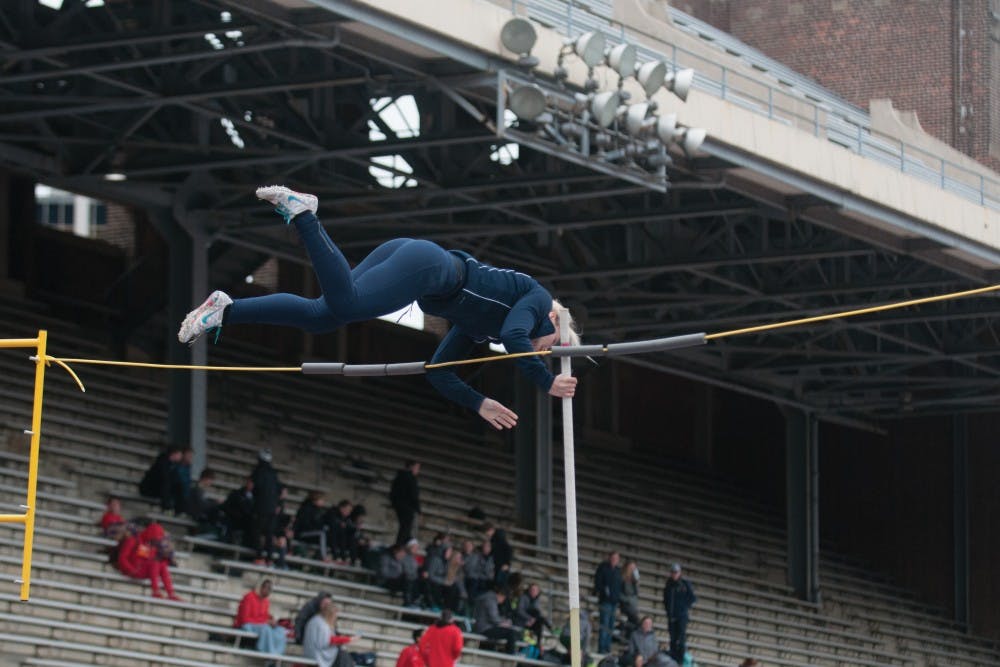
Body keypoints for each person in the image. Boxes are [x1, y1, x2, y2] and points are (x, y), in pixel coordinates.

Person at [177, 185, 580, 430]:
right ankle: (304, 216)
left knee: (323, 316)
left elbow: (438, 373)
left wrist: (478, 402)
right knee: (347, 303)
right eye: (554, 344)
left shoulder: (484, 327)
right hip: (430, 266)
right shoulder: (538, 300)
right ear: (553, 320)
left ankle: (226, 310)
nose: (548, 351)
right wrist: (546, 382)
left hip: (416, 260)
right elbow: (515, 337)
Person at [116, 521, 178, 600]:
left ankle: (171, 593)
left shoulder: (151, 544)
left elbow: (150, 559)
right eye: (155, 538)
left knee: (162, 564)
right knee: (156, 563)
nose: (156, 541)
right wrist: (130, 569)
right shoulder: (133, 540)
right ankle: (155, 591)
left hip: (142, 570)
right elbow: (122, 558)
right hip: (132, 570)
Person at [235, 579, 287, 656]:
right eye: (268, 588)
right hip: (247, 625)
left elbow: (264, 616)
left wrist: (271, 620)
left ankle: (278, 654)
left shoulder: (266, 601)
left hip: (260, 624)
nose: (269, 592)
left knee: (281, 630)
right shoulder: (249, 597)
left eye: (270, 590)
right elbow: (245, 619)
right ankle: (269, 654)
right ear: (262, 588)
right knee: (266, 629)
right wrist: (265, 622)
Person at [249, 449, 282, 564]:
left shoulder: (258, 472)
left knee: (257, 531)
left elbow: (254, 488)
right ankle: (269, 558)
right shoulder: (274, 473)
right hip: (272, 507)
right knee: (269, 533)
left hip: (261, 506)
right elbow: (279, 490)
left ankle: (259, 556)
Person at [302, 597, 353, 667]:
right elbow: (324, 643)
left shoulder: (316, 620)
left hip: (312, 651)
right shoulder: (321, 624)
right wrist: (345, 640)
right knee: (343, 656)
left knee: (343, 655)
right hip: (316, 653)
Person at [662, 563, 696, 664]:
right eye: (672, 572)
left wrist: (683, 608)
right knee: (673, 639)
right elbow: (666, 599)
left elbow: (692, 598)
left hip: (681, 616)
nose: (674, 575)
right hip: (672, 616)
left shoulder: (685, 584)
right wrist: (668, 610)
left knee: (681, 639)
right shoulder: (668, 584)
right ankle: (673, 660)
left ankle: (680, 661)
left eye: (676, 572)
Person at [473, 588, 519, 654]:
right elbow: (494, 618)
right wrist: (503, 623)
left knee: (510, 631)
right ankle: (510, 655)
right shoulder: (490, 600)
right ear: (500, 595)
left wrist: (503, 621)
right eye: (503, 598)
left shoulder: (487, 597)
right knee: (511, 633)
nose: (503, 601)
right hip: (485, 628)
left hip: (483, 626)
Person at [594, 550, 622, 653]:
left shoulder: (618, 571)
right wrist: (604, 592)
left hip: (614, 602)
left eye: (616, 559)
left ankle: (607, 647)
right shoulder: (603, 568)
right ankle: (601, 648)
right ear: (609, 558)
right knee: (604, 625)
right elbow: (598, 583)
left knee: (610, 626)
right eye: (613, 558)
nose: (615, 560)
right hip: (605, 601)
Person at [138, 446, 182, 511]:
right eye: (179, 455)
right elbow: (164, 480)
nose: (180, 457)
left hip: (156, 489)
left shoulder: (172, 465)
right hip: (148, 489)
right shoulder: (162, 463)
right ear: (174, 454)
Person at [390, 461, 421, 547]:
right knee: (406, 528)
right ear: (411, 467)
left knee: (404, 528)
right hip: (407, 508)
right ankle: (400, 546)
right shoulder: (410, 478)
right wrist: (418, 509)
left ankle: (400, 545)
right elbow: (414, 495)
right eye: (417, 468)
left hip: (399, 505)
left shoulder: (399, 476)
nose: (418, 470)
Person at [295, 491, 330, 560]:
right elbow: (305, 525)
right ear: (315, 500)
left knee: (327, 532)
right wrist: (317, 528)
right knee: (322, 534)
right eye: (322, 500)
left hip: (312, 533)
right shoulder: (306, 509)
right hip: (302, 533)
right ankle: (324, 557)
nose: (323, 502)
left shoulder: (319, 511)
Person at [186, 468, 223, 535]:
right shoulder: (197, 489)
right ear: (206, 478)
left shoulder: (200, 489)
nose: (211, 483)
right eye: (211, 480)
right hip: (195, 517)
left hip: (199, 516)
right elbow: (202, 505)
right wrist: (215, 503)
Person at [222, 476, 254, 545]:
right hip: (233, 520)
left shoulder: (257, 498)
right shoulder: (237, 493)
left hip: (245, 523)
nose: (250, 484)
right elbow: (227, 506)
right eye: (250, 482)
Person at [463, 539, 495, 604]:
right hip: (475, 578)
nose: (486, 548)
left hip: (485, 580)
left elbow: (490, 573)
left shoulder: (491, 559)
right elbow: (472, 569)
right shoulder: (476, 555)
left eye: (488, 546)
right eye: (485, 546)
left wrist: (488, 573)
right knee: (475, 583)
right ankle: (471, 604)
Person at [483, 522, 512, 587]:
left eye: (486, 532)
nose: (486, 534)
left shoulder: (499, 537)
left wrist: (507, 563)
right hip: (497, 564)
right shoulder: (494, 539)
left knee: (501, 585)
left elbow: (508, 549)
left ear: (490, 530)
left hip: (502, 565)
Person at [327, 499, 357, 563]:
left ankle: (352, 559)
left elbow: (350, 528)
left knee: (352, 537)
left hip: (340, 539)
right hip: (329, 536)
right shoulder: (332, 512)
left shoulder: (346, 518)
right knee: (340, 533)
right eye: (347, 510)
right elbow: (332, 525)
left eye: (350, 511)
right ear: (341, 508)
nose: (349, 512)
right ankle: (338, 556)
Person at [620, 559, 641, 639]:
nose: (633, 569)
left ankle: (628, 638)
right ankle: (627, 637)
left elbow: (637, 593)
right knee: (636, 622)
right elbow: (619, 593)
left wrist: (637, 581)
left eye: (634, 568)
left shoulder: (634, 580)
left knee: (633, 623)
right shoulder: (622, 579)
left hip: (633, 605)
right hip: (626, 605)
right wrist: (627, 600)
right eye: (631, 567)